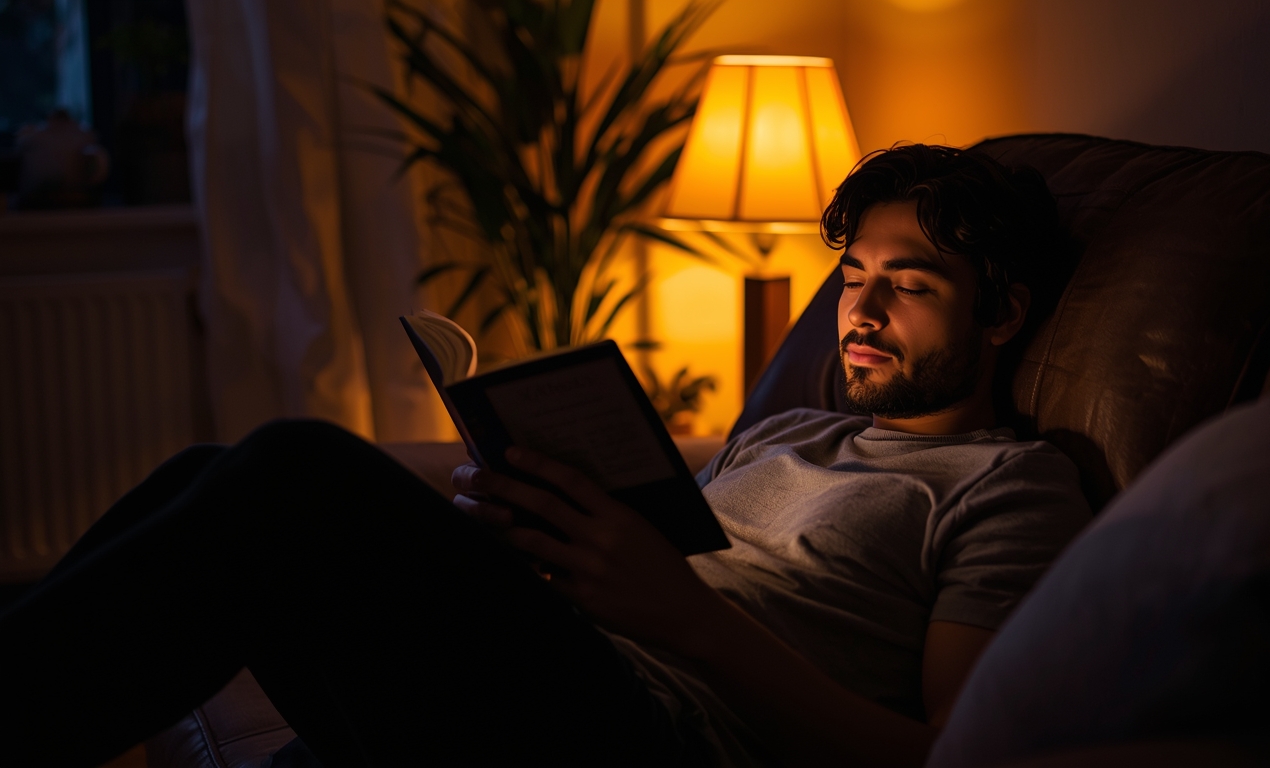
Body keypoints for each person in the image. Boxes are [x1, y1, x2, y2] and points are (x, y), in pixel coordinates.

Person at [0, 145, 1090, 768]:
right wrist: (525, 529)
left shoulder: (1012, 484)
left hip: (656, 733)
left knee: (296, 469)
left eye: (911, 284)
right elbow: (646, 568)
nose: (861, 309)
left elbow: (954, 755)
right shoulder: (791, 430)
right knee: (210, 472)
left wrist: (683, 617)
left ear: (1000, 315)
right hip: (563, 661)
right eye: (854, 277)